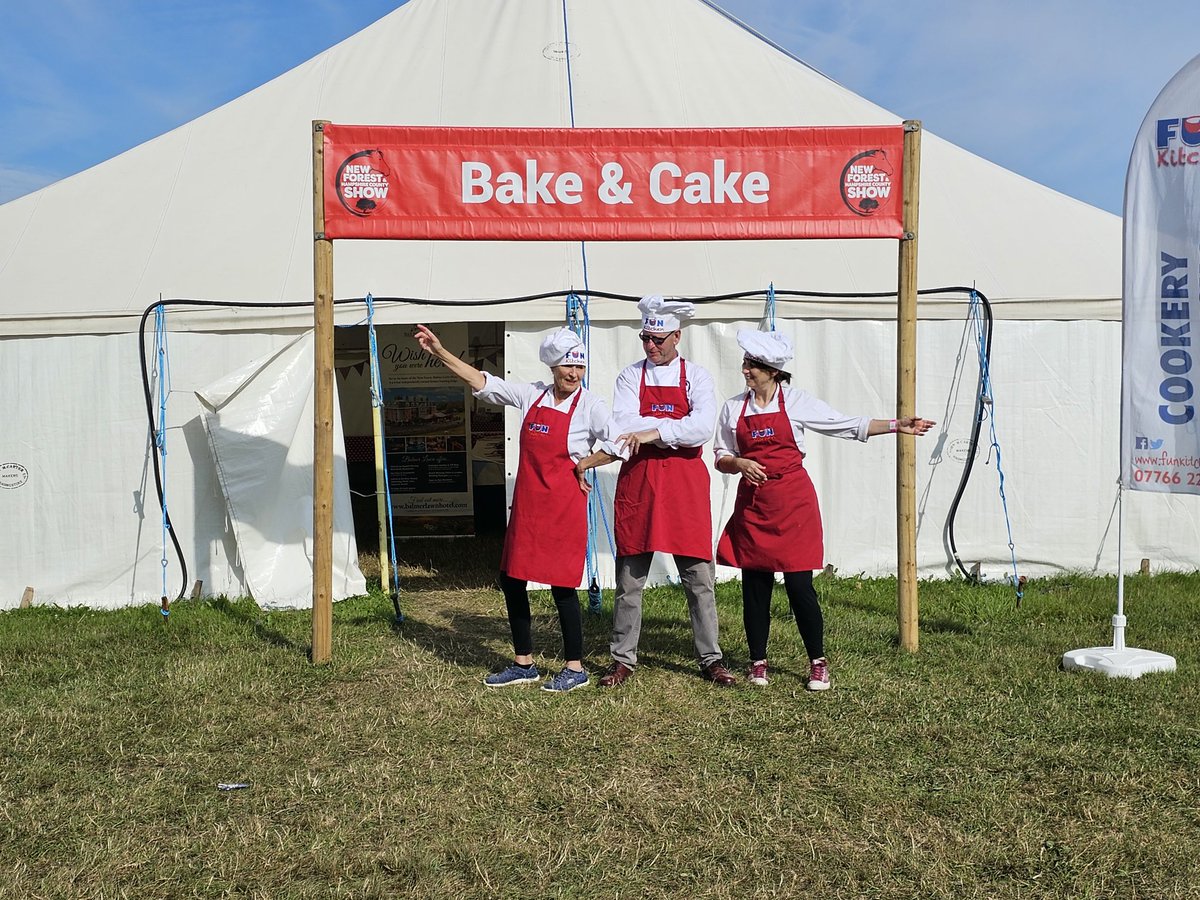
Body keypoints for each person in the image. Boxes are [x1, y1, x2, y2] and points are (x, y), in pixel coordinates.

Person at [713, 328, 934, 690]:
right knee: (755, 586)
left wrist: (897, 425)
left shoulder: (797, 402)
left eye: (752, 365)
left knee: (801, 587)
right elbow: (720, 455)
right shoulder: (733, 407)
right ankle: (758, 661)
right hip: (754, 505)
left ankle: (817, 661)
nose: (745, 370)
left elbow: (847, 425)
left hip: (794, 503)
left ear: (772, 370)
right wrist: (739, 464)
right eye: (746, 364)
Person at [414, 324, 616, 693]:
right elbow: (484, 382)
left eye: (580, 367)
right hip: (528, 504)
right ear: (552, 368)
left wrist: (587, 463)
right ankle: (524, 662)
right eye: (567, 367)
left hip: (563, 506)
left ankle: (575, 667)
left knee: (562, 585)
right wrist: (440, 352)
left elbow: (620, 441)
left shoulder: (591, 405)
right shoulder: (532, 395)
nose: (574, 373)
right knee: (512, 579)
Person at [576, 296, 736, 687]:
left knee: (699, 578)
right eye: (646, 338)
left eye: (658, 339)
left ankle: (710, 657)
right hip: (640, 483)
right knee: (630, 578)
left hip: (684, 486)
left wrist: (653, 432)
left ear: (677, 336)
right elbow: (623, 424)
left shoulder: (697, 376)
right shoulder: (630, 377)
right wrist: (670, 429)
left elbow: (702, 427)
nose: (651, 346)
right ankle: (622, 658)